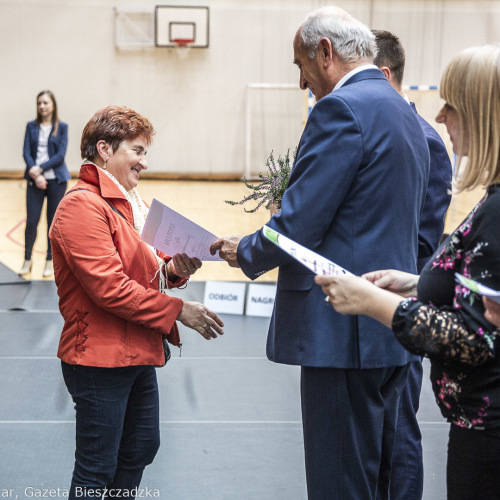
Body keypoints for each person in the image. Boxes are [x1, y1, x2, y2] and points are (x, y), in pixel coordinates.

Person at [210, 7, 430, 499]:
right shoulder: (404, 113)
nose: (302, 82)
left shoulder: (341, 110)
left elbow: (299, 224)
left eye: (300, 65)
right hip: (390, 323)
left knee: (341, 483)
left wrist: (243, 249)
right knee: (383, 476)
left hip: (343, 330)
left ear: (325, 52)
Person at [316, 44, 500, 500]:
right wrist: (418, 283)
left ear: (482, 113)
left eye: (452, 105)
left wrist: (377, 303)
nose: (440, 117)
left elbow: (477, 337)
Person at [49, 105, 224, 499]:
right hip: (98, 359)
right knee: (96, 469)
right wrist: (180, 311)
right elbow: (110, 287)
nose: (145, 162)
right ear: (104, 149)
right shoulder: (81, 205)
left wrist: (174, 269)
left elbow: (141, 269)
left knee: (141, 448)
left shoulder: (123, 203)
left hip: (135, 350)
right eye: (138, 150)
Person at [372, 29, 453, 500]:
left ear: (384, 76)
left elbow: (424, 239)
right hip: (375, 297)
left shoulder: (425, 140)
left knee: (398, 429)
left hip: (400, 303)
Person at [21, 90, 70, 278]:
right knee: (32, 221)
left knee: (52, 224)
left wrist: (40, 168)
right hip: (35, 180)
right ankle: (27, 259)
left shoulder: (62, 127)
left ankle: (50, 261)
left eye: (45, 103)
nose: (42, 106)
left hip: (56, 180)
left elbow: (60, 155)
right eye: (39, 103)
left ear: (53, 105)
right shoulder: (31, 126)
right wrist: (35, 173)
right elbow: (26, 152)